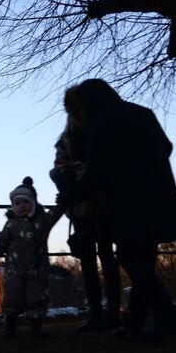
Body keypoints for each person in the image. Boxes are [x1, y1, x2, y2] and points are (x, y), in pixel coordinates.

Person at [56, 78, 176, 338]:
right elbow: (167, 147)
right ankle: (134, 323)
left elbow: (97, 171)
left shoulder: (100, 123)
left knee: (131, 258)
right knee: (143, 262)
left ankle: (169, 317)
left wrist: (71, 195)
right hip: (160, 196)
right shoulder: (142, 113)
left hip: (130, 200)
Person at [50, 106, 122, 333]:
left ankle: (107, 313)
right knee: (97, 259)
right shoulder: (75, 138)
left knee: (101, 258)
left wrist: (71, 179)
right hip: (89, 204)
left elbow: (60, 169)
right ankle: (101, 312)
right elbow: (58, 169)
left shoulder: (76, 137)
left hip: (95, 204)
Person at [0, 176, 64, 339]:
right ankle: (10, 326)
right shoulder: (11, 224)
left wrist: (62, 202)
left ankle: (36, 328)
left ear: (33, 203)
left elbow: (55, 213)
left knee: (36, 298)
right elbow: (1, 241)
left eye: (25, 202)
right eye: (17, 203)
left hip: (37, 270)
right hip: (14, 270)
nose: (21, 206)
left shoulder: (42, 221)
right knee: (12, 297)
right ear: (13, 206)